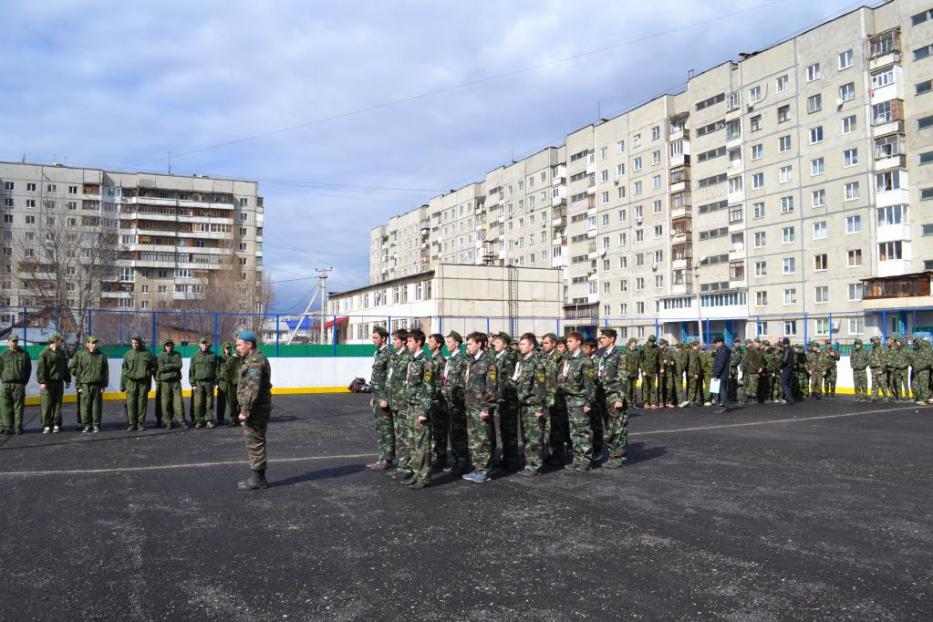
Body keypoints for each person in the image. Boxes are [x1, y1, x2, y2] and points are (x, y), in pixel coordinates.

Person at [236, 331, 273, 490]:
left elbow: (253, 389)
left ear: (249, 345)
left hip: (255, 409)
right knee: (255, 441)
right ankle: (258, 476)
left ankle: (259, 479)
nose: (237, 348)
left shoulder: (255, 362)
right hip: (257, 407)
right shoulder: (251, 360)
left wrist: (245, 410)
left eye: (239, 344)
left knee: (255, 442)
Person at [399, 329, 434, 490]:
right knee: (412, 443)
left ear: (419, 342)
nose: (407, 343)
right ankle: (415, 473)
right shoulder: (412, 360)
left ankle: (424, 476)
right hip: (411, 406)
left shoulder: (426, 361)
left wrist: (423, 411)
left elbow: (428, 388)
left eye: (411, 341)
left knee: (422, 444)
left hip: (420, 407)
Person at [462, 332, 497, 483]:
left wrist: (486, 407)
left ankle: (484, 471)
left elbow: (491, 387)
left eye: (470, 343)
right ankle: (477, 468)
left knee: (484, 439)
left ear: (480, 344)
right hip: (471, 406)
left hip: (481, 407)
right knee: (475, 439)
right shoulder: (471, 361)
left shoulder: (488, 362)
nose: (467, 346)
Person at [560, 331, 597, 472]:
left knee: (583, 432)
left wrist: (588, 403)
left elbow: (590, 384)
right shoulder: (568, 359)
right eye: (567, 341)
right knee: (574, 432)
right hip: (569, 400)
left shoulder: (585, 360)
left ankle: (586, 460)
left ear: (578, 342)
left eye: (570, 341)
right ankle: (577, 459)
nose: (568, 344)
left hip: (580, 401)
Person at [513, 333, 548, 476]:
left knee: (535, 437)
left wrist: (540, 407)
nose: (520, 347)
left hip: (534, 404)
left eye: (523, 344)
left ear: (532, 346)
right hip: (524, 404)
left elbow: (541, 386)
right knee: (527, 436)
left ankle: (536, 466)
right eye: (520, 344)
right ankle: (530, 463)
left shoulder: (537, 362)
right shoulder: (522, 362)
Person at [596, 328, 627, 468]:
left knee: (617, 428)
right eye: (601, 337)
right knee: (610, 427)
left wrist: (620, 398)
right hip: (604, 396)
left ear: (612, 339)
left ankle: (618, 457)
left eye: (603, 337)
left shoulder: (620, 355)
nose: (601, 339)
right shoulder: (603, 355)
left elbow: (622, 378)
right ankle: (612, 455)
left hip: (614, 396)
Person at [440, 331, 470, 475]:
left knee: (459, 433)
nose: (447, 345)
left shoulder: (462, 359)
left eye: (450, 342)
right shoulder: (451, 359)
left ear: (457, 343)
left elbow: (464, 382)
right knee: (453, 433)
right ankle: (457, 460)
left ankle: (463, 462)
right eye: (446, 343)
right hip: (450, 401)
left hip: (458, 402)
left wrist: (458, 399)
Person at [366, 326, 395, 471]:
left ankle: (387, 458)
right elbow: (376, 379)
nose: (373, 340)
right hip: (377, 397)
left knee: (386, 428)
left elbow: (390, 378)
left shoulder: (388, 354)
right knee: (379, 429)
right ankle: (381, 457)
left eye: (376, 338)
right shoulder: (378, 353)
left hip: (384, 398)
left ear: (383, 338)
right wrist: (374, 396)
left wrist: (385, 398)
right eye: (373, 338)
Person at [491, 332, 520, 469]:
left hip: (508, 400)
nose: (494, 344)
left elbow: (512, 380)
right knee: (502, 431)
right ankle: (507, 458)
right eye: (494, 342)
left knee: (510, 431)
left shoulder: (508, 358)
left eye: (497, 342)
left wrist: (504, 394)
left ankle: (512, 461)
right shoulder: (498, 356)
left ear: (505, 345)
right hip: (500, 399)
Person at [386, 329, 412, 481]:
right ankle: (403, 465)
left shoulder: (408, 358)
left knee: (405, 437)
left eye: (395, 339)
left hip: (403, 403)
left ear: (403, 341)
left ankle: (407, 466)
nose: (393, 342)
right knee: (399, 436)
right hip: (395, 402)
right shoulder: (395, 357)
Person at [70, 336, 108, 433]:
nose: (94, 345)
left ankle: (96, 424)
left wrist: (104, 385)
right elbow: (75, 369)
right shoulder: (80, 355)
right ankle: (86, 425)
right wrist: (79, 385)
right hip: (84, 385)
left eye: (95, 343)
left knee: (96, 406)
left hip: (97, 385)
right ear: (87, 344)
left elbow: (105, 372)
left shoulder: (101, 355)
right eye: (92, 342)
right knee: (84, 406)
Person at [37, 334, 71, 434]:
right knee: (46, 404)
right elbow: (41, 369)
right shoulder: (44, 353)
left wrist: (67, 380)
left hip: (58, 382)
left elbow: (65, 367)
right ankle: (47, 425)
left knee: (57, 404)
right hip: (48, 383)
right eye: (60, 340)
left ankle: (56, 424)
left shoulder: (61, 353)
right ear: (55, 340)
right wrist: (42, 382)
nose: (61, 342)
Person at [120, 335, 154, 431]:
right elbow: (124, 369)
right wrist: (122, 385)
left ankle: (140, 423)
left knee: (142, 404)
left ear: (140, 343)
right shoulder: (128, 354)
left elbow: (153, 367)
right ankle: (132, 423)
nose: (134, 345)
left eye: (136, 343)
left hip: (143, 383)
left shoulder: (147, 353)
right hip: (131, 383)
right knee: (131, 403)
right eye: (133, 343)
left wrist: (147, 373)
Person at [0, 334, 32, 435]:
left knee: (19, 407)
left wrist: (24, 382)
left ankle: (18, 427)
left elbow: (28, 369)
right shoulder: (3, 355)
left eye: (16, 341)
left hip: (19, 384)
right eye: (13, 341)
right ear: (8, 342)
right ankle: (7, 426)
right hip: (6, 384)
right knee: (5, 406)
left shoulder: (24, 354)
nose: (14, 343)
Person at [426, 333, 447, 471]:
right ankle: (436, 457)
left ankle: (441, 459)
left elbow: (442, 383)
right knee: (433, 431)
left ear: (438, 344)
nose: (429, 343)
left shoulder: (440, 361)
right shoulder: (430, 359)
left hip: (438, 401)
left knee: (439, 431)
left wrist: (436, 397)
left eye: (431, 341)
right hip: (431, 400)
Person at [189, 337, 220, 428]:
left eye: (205, 343)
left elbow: (216, 370)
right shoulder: (195, 356)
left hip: (210, 383)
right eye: (202, 343)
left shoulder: (213, 355)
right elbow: (191, 371)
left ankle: (209, 420)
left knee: (209, 403)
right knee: (198, 403)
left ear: (208, 344)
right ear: (199, 344)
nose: (204, 345)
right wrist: (193, 384)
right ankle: (199, 420)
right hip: (198, 383)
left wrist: (215, 382)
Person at [216, 343, 241, 426]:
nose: (228, 349)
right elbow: (217, 370)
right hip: (223, 382)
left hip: (230, 382)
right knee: (221, 402)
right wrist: (219, 378)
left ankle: (233, 419)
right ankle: (220, 419)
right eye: (226, 348)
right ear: (224, 349)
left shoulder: (234, 358)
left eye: (229, 348)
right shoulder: (220, 358)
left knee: (232, 402)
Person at [711, 337, 731, 413]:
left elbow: (720, 363)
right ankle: (724, 405)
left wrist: (716, 374)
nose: (715, 345)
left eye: (715, 343)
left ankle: (724, 406)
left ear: (720, 342)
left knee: (722, 391)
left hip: (721, 374)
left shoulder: (722, 351)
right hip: (723, 373)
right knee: (723, 390)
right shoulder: (723, 350)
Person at [641, 335, 660, 409]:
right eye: (650, 341)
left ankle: (653, 403)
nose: (651, 343)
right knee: (646, 388)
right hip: (645, 371)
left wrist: (661, 368)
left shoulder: (657, 348)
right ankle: (646, 402)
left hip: (653, 371)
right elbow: (640, 360)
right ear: (648, 340)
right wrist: (643, 370)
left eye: (653, 342)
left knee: (652, 388)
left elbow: (660, 359)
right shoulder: (643, 348)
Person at [779, 337, 795, 404]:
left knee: (784, 383)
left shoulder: (787, 350)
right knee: (788, 383)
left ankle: (789, 398)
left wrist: (781, 367)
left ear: (784, 343)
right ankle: (789, 397)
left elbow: (784, 360)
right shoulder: (791, 349)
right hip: (790, 367)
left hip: (786, 368)